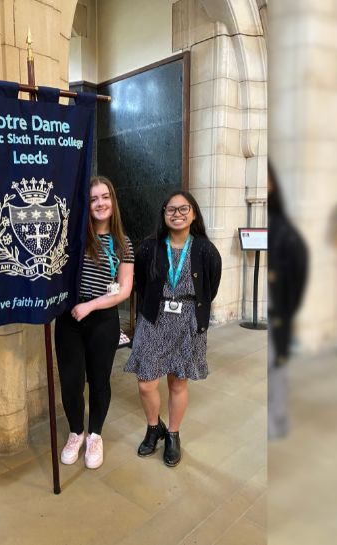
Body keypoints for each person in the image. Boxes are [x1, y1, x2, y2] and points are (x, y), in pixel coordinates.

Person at [124, 190, 221, 467]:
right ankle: (154, 427)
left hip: (188, 321)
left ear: (193, 214)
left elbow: (210, 288)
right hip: (154, 318)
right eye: (171, 209)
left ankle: (173, 435)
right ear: (164, 214)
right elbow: (142, 284)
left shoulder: (205, 250)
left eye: (183, 209)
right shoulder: (148, 247)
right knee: (146, 382)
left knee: (178, 382)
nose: (177, 214)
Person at [55, 175, 134, 469]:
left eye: (105, 197)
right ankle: (76, 432)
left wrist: (91, 305)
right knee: (71, 382)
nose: (100, 203)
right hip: (70, 319)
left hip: (102, 320)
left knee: (99, 381)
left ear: (113, 201)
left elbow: (123, 290)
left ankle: (95, 435)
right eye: (93, 199)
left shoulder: (123, 243)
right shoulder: (73, 237)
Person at [267, 162, 308, 439]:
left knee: (277, 368)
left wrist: (287, 308)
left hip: (277, 314)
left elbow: (299, 270)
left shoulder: (282, 228)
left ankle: (277, 423)